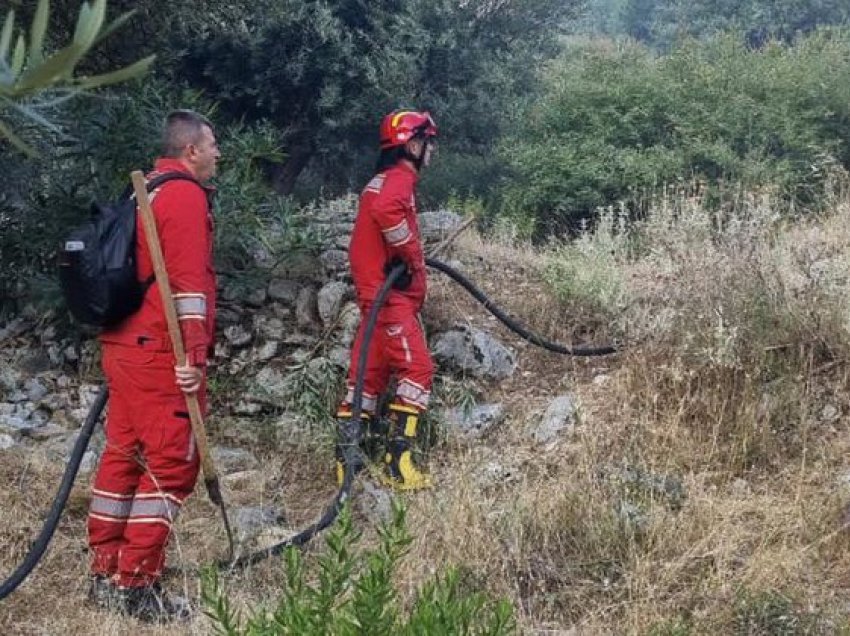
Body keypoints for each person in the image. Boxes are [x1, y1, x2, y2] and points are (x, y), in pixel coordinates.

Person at [86, 110, 219, 622]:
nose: (217, 153)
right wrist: (194, 358)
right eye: (212, 145)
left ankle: (105, 571)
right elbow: (188, 287)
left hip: (124, 345)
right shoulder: (183, 195)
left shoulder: (148, 189)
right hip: (160, 351)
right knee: (169, 462)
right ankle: (136, 584)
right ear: (191, 150)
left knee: (123, 454)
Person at [335, 109, 438, 491]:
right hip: (389, 297)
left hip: (377, 298)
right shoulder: (398, 181)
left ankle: (348, 464)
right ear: (412, 144)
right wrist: (409, 254)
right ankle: (399, 464)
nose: (432, 151)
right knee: (418, 371)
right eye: (428, 143)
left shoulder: (381, 180)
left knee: (368, 378)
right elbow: (385, 212)